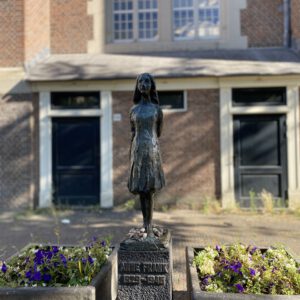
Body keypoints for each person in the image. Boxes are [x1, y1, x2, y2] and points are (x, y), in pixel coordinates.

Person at [128, 73, 165, 237]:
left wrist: (149, 145)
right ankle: (145, 223)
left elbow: (158, 132)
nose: (143, 84)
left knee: (149, 189)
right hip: (137, 151)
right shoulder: (133, 110)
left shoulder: (157, 109)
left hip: (151, 150)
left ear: (152, 85)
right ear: (137, 86)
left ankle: (149, 225)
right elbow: (133, 132)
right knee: (141, 189)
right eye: (140, 81)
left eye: (147, 81)